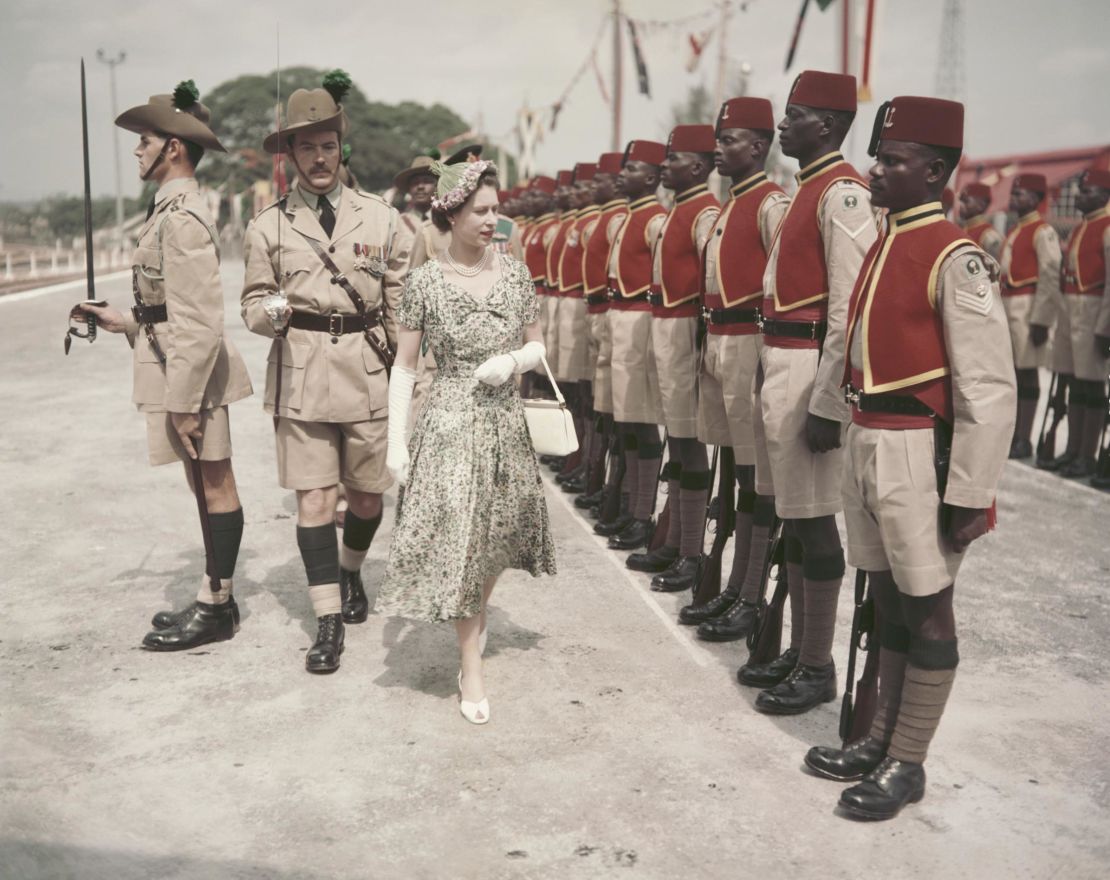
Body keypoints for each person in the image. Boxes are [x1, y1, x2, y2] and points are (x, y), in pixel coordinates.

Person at [805, 95, 1015, 820]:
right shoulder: (885, 242)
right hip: (868, 437)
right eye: (880, 156)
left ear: (934, 171)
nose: (878, 169)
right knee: (888, 598)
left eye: (894, 160)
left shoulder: (955, 257)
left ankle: (908, 761)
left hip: (915, 450)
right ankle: (881, 740)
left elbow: (988, 387)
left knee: (928, 608)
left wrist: (969, 490)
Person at [241, 71, 414, 674]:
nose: (319, 158)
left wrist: (410, 379)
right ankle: (327, 621)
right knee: (313, 499)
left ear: (342, 150)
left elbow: (400, 307)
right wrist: (268, 313)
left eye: (328, 146)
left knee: (366, 500)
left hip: (368, 372)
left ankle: (348, 573)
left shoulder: (383, 219)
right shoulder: (267, 226)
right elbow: (251, 303)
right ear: (289, 155)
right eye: (307, 147)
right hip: (302, 374)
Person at [73, 80, 253, 651]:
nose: (136, 150)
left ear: (173, 147)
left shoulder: (183, 217)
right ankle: (214, 594)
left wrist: (183, 403)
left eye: (144, 140)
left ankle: (217, 608)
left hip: (190, 372)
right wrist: (123, 320)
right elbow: (167, 306)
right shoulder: (168, 210)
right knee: (199, 481)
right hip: (171, 359)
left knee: (214, 481)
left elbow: (200, 321)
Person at [379, 159, 557, 725]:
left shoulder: (515, 273)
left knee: (494, 542)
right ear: (450, 214)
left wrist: (511, 361)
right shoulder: (425, 281)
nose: (492, 220)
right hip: (451, 421)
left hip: (504, 422)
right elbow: (405, 367)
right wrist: (396, 442)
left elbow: (538, 349)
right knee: (459, 540)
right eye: (480, 211)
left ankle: (475, 617)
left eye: (495, 209)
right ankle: (469, 661)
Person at [745, 70, 877, 713]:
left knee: (816, 523)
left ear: (825, 125)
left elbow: (849, 310)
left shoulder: (843, 194)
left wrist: (828, 402)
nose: (781, 125)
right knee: (793, 521)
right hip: (781, 357)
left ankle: (818, 663)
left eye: (794, 115)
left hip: (809, 369)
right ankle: (799, 653)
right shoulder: (807, 187)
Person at [684, 97, 789, 641]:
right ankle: (731, 585)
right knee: (732, 470)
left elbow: (782, 287)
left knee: (755, 480)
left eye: (730, 141)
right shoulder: (728, 205)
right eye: (719, 140)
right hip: (721, 339)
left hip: (750, 339)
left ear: (759, 146)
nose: (719, 149)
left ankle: (750, 593)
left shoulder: (773, 204)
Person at [629, 125, 720, 593]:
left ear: (699, 167)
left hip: (687, 326)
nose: (665, 166)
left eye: (675, 159)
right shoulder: (682, 209)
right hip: (667, 323)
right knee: (678, 442)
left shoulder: (704, 211)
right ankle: (675, 539)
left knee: (689, 442)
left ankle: (690, 552)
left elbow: (713, 273)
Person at [605, 141, 669, 556]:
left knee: (644, 422)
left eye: (631, 169)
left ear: (650, 177)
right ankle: (631, 504)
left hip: (642, 319)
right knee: (626, 420)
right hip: (620, 317)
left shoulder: (656, 219)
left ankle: (644, 513)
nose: (621, 175)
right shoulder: (628, 216)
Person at [571, 153, 629, 500]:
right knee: (591, 397)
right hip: (595, 309)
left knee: (616, 409)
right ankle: (589, 467)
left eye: (598, 182)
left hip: (615, 312)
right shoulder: (605, 218)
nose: (590, 189)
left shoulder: (617, 218)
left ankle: (620, 494)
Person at [1051, 168, 1110, 478]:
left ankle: (1087, 454)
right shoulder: (1079, 228)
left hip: (1093, 310)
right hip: (1071, 308)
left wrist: (1105, 327)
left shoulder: (1107, 227)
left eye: (1087, 193)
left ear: (1104, 195)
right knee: (1074, 383)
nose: (1080, 198)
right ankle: (1073, 449)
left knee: (1092, 385)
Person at [1000, 172, 1062, 459]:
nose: (1014, 199)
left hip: (1028, 307)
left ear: (1036, 198)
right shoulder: (1015, 229)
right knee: (1011, 373)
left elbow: (1050, 276)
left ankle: (1024, 437)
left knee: (1027, 373)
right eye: (1013, 194)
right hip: (1008, 304)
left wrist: (1041, 319)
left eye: (1020, 194)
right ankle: (1012, 434)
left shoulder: (1042, 231)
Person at [958, 182, 1003, 260]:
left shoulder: (988, 234)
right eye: (961, 201)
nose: (961, 205)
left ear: (981, 205)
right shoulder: (962, 230)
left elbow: (997, 266)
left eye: (966, 201)